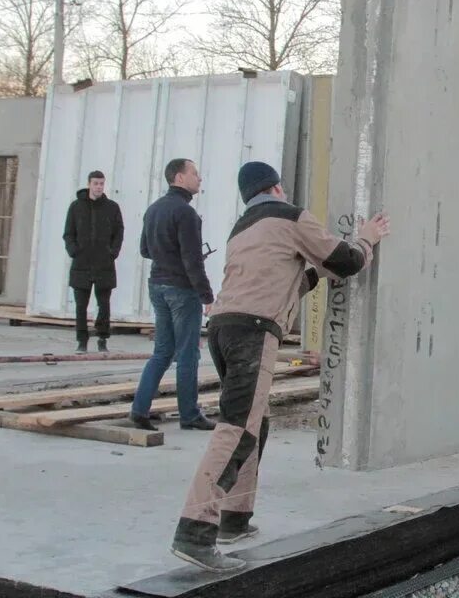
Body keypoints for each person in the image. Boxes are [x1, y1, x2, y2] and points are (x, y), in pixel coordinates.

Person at [170, 161, 391, 572]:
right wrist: (366, 238)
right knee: (236, 430)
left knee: (256, 421)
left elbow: (289, 279)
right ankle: (195, 532)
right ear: (275, 188)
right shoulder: (290, 216)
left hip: (223, 329)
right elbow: (345, 261)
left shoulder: (244, 229)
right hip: (253, 334)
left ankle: (235, 519)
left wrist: (315, 274)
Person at [130, 158, 216, 432]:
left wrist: (166, 254)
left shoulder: (154, 209)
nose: (199, 178)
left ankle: (139, 408)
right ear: (179, 178)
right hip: (181, 289)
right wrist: (207, 296)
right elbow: (192, 261)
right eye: (195, 173)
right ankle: (189, 414)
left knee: (162, 351)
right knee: (188, 353)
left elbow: (145, 250)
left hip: (157, 285)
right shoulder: (186, 214)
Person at [63, 171, 124, 353]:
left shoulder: (112, 207)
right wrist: (74, 250)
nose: (99, 187)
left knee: (104, 305)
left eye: (101, 184)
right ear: (89, 184)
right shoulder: (76, 207)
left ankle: (102, 339)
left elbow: (119, 232)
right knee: (81, 305)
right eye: (96, 183)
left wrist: (112, 252)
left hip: (104, 264)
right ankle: (82, 341)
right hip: (81, 264)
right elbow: (68, 233)